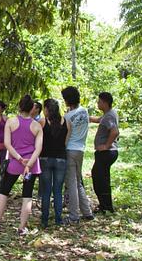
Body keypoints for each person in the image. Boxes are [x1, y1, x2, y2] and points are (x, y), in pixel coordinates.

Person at [0, 95, 43, 236]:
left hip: (15, 163)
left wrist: (19, 158)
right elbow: (38, 148)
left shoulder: (11, 122)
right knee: (27, 195)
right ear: (32, 109)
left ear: (19, 107)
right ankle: (22, 228)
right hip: (31, 165)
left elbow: (7, 144)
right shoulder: (37, 126)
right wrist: (28, 163)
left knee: (4, 191)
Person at [61, 86, 94, 224]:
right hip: (80, 149)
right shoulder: (85, 111)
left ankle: (74, 216)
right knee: (78, 182)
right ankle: (87, 212)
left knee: (72, 183)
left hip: (70, 150)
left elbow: (65, 135)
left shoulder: (67, 117)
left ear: (68, 100)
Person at [39, 98, 71, 227]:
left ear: (47, 109)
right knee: (58, 190)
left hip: (45, 158)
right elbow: (66, 142)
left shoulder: (42, 122)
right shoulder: (66, 122)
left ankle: (44, 220)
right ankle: (58, 219)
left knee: (46, 190)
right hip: (61, 159)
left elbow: (38, 141)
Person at [90, 92, 120, 213]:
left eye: (99, 101)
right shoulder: (108, 114)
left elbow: (115, 131)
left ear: (105, 103)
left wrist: (106, 146)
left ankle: (105, 205)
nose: (98, 103)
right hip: (107, 153)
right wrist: (85, 117)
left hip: (107, 153)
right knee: (102, 178)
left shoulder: (109, 116)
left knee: (99, 178)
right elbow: (98, 120)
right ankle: (105, 205)